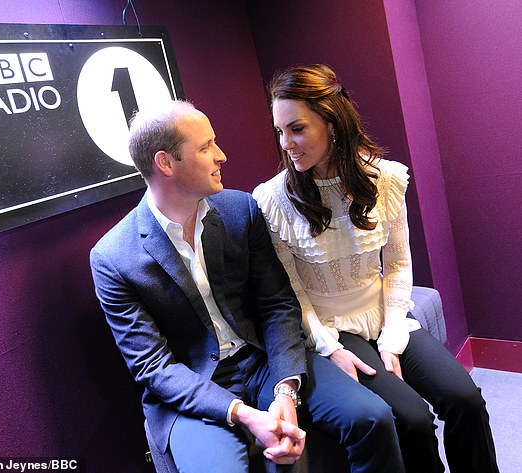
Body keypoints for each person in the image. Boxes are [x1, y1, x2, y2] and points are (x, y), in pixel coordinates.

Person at [90, 100, 405, 473]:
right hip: (195, 385)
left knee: (373, 418)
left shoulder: (240, 209)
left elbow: (277, 304)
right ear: (165, 163)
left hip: (262, 359)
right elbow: (153, 368)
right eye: (205, 147)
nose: (221, 155)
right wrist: (244, 415)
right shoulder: (113, 257)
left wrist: (285, 389)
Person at [252, 64, 500, 473]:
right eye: (280, 132)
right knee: (413, 419)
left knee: (466, 400)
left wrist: (392, 334)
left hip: (384, 314)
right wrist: (330, 348)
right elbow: (292, 292)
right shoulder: (273, 199)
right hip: (330, 326)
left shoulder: (385, 179)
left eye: (296, 128)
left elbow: (399, 263)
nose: (287, 143)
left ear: (331, 123)